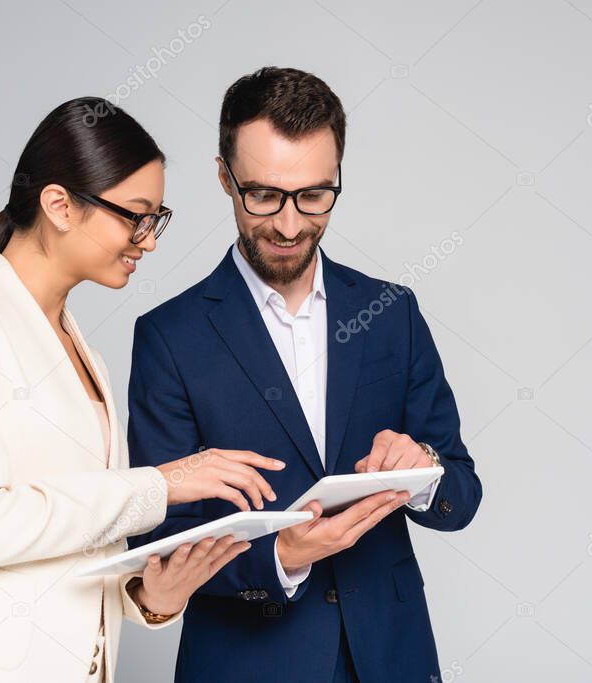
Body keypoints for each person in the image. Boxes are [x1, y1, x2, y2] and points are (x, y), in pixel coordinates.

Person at [0, 97, 285, 683]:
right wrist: (162, 484)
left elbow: (70, 553)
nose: (148, 240)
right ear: (59, 205)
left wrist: (151, 595)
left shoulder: (82, 350)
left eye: (156, 218)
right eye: (135, 216)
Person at [127, 68, 483, 682]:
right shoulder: (169, 337)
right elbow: (158, 542)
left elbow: (461, 494)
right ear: (224, 178)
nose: (290, 226)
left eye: (314, 196)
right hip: (245, 663)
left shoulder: (391, 312)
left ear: (338, 177)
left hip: (393, 659)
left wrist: (421, 466)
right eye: (263, 195)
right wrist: (282, 556)